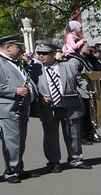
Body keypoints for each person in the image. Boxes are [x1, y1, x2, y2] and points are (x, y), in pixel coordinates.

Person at [0, 34, 34, 182]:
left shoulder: (16, 61)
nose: (20, 49)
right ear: (8, 47)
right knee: (11, 141)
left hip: (21, 106)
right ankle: (11, 171)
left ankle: (18, 168)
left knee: (20, 141)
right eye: (18, 46)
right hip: (6, 107)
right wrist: (14, 91)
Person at [30, 42, 90, 172]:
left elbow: (81, 81)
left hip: (70, 104)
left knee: (73, 133)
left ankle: (76, 159)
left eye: (44, 54)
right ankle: (53, 162)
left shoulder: (69, 66)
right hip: (48, 106)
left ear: (52, 54)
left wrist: (88, 92)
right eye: (39, 53)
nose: (40, 56)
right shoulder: (35, 69)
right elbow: (31, 87)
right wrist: (39, 97)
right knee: (51, 135)